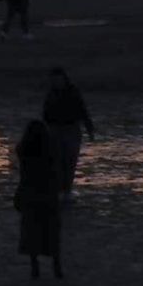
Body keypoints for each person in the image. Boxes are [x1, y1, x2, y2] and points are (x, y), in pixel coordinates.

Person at [14, 119, 64, 279]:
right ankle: (57, 266)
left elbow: (23, 176)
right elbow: (56, 173)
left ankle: (34, 267)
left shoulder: (23, 151)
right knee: (51, 231)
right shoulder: (50, 151)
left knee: (31, 231)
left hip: (29, 193)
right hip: (48, 194)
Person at [42, 68, 95, 198]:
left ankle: (67, 190)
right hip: (55, 130)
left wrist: (90, 130)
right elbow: (45, 114)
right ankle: (60, 189)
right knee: (57, 161)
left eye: (58, 80)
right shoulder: (51, 94)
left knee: (70, 161)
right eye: (53, 80)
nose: (56, 83)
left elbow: (83, 110)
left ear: (64, 79)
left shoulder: (73, 92)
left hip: (71, 129)